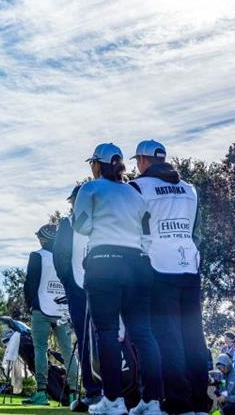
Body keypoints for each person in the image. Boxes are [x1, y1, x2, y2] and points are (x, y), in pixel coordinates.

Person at [72, 143, 163, 415]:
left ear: (97, 164)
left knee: (108, 333)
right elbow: (147, 233)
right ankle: (152, 402)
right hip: (137, 264)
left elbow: (82, 225)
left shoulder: (90, 188)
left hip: (104, 263)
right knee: (144, 335)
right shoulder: (134, 192)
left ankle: (113, 400)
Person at [129, 139, 210, 415]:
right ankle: (201, 402)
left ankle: (178, 403)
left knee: (167, 338)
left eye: (137, 160)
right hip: (189, 266)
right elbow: (196, 232)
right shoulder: (190, 189)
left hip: (157, 266)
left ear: (143, 160)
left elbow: (135, 230)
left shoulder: (138, 187)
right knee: (194, 337)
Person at [53, 184, 103, 412]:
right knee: (88, 339)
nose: (73, 205)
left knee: (100, 337)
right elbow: (60, 257)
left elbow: (60, 256)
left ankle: (107, 390)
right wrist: (69, 282)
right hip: (81, 286)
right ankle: (95, 391)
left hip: (98, 285)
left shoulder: (98, 219)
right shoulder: (69, 223)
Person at [23, 223, 78, 405]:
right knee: (68, 352)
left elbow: (30, 283)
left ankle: (41, 393)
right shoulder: (67, 257)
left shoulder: (37, 256)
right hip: (63, 310)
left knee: (40, 349)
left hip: (41, 308)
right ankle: (73, 394)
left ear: (42, 238)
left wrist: (30, 305)